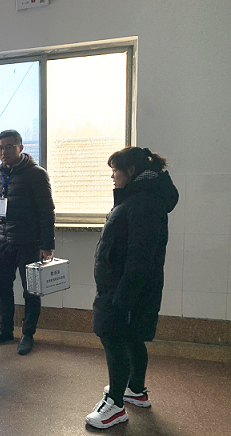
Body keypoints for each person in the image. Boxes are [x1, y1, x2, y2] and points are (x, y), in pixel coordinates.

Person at [85, 147, 178, 429]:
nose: (112, 176)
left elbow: (140, 257)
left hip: (124, 290)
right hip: (125, 288)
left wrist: (123, 299)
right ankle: (135, 390)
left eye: (115, 170)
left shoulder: (143, 204)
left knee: (115, 339)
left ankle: (115, 405)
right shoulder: (139, 198)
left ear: (132, 172)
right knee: (133, 337)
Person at [0, 130, 55, 355]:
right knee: (3, 288)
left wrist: (47, 245)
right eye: (0, 147)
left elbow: (47, 211)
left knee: (31, 291)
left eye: (9, 146)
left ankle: (28, 334)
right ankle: (5, 330)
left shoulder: (36, 174)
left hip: (29, 243)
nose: (3, 151)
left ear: (21, 148)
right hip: (3, 242)